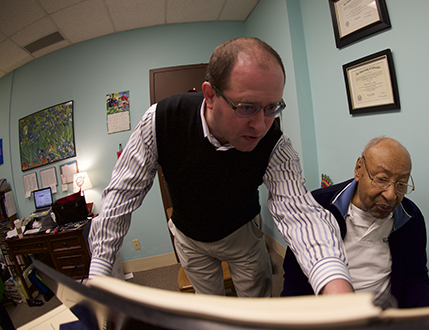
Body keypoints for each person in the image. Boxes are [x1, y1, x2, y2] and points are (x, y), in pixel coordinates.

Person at [88, 37, 353, 297]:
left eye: (272, 107)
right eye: (246, 107)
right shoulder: (161, 119)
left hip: (242, 236)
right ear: (210, 95)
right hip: (189, 239)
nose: (261, 126)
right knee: (213, 311)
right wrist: (99, 272)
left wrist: (334, 283)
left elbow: (299, 211)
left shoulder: (275, 144)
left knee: (257, 308)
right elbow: (122, 194)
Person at [282, 136, 429, 308]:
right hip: (327, 315)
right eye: (381, 179)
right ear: (358, 169)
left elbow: (415, 278)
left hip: (383, 316)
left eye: (401, 184)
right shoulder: (317, 208)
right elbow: (295, 284)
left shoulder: (410, 218)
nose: (391, 195)